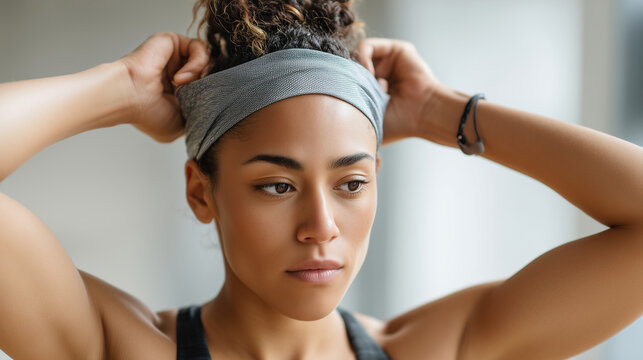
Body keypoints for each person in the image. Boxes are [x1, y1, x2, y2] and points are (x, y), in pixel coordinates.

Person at [1, 0, 642, 359]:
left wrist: (444, 111)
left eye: (351, 183)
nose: (321, 228)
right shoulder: (121, 349)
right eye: (277, 185)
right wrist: (120, 89)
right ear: (202, 191)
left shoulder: (439, 350)